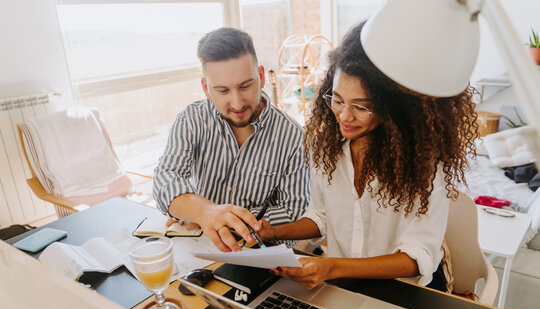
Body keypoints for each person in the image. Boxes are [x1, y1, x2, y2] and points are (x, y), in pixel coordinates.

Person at [256, 22, 479, 292]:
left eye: (361, 107)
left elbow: (416, 256)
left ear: (394, 108)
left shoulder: (425, 165)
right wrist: (274, 232)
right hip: (342, 282)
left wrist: (333, 267)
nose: (344, 116)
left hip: (405, 289)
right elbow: (322, 217)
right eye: (337, 99)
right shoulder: (327, 148)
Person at [153, 27, 309, 253]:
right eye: (223, 91)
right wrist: (202, 212)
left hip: (256, 253)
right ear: (206, 88)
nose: (237, 103)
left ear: (262, 76)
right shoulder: (191, 119)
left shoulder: (293, 136)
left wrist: (220, 219)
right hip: (200, 247)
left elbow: (294, 212)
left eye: (246, 86)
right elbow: (166, 176)